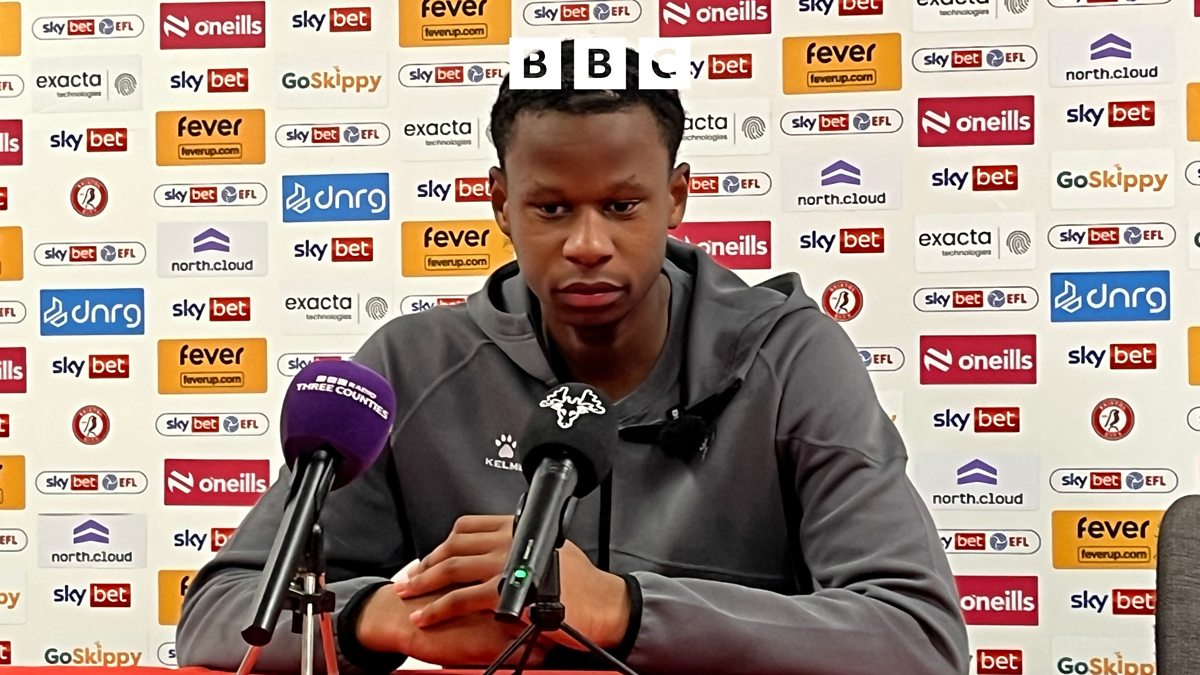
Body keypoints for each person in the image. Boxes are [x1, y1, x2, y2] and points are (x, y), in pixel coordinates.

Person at [176, 40, 969, 675]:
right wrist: (384, 617)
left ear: (677, 195)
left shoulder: (790, 355)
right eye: (552, 208)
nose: (589, 244)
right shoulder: (414, 363)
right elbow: (220, 611)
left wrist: (622, 608)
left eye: (622, 206)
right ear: (500, 203)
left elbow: (920, 637)